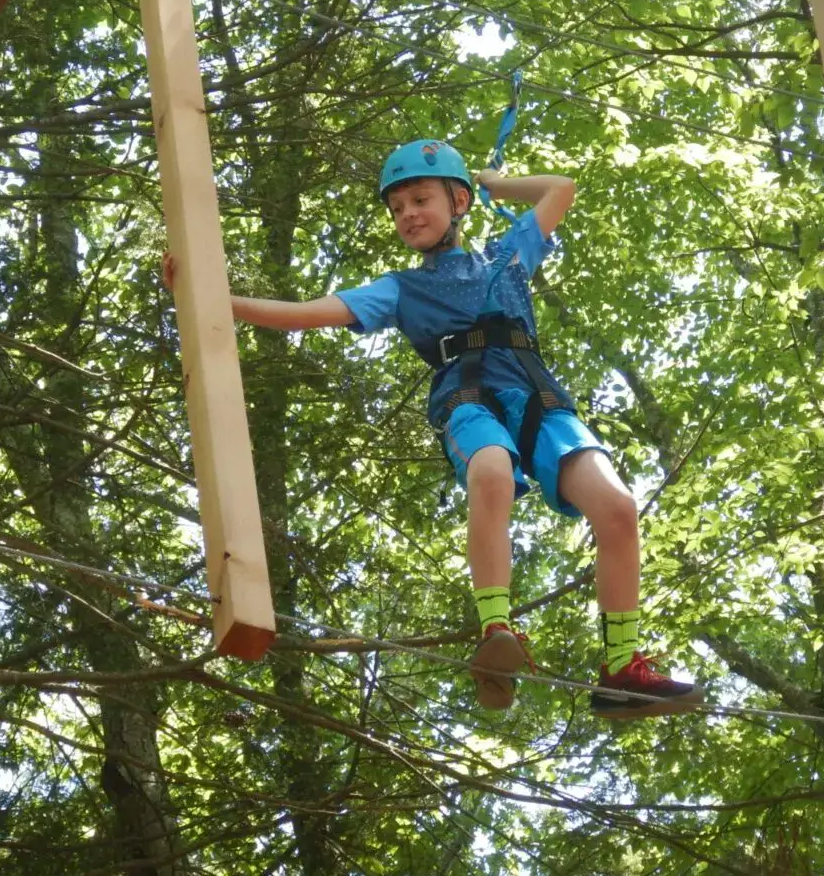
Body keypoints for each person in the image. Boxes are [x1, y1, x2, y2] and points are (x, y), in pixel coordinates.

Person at [167, 139, 702, 718]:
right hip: (467, 400)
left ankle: (622, 666)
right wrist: (215, 299)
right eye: (397, 209)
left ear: (458, 203)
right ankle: (497, 628)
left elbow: (560, 189)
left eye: (420, 199)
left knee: (619, 507)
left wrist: (495, 182)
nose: (407, 216)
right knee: (492, 470)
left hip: (541, 403)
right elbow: (306, 313)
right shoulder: (401, 287)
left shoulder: (509, 257)